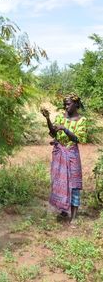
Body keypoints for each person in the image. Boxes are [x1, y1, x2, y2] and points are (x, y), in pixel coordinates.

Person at [41, 93, 87, 225]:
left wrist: (65, 129)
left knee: (74, 184)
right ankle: (63, 210)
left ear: (76, 104)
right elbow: (54, 132)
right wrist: (48, 119)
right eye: (64, 104)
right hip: (59, 153)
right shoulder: (61, 117)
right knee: (60, 182)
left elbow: (79, 139)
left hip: (72, 154)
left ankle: (74, 217)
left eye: (68, 104)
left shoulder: (81, 120)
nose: (66, 107)